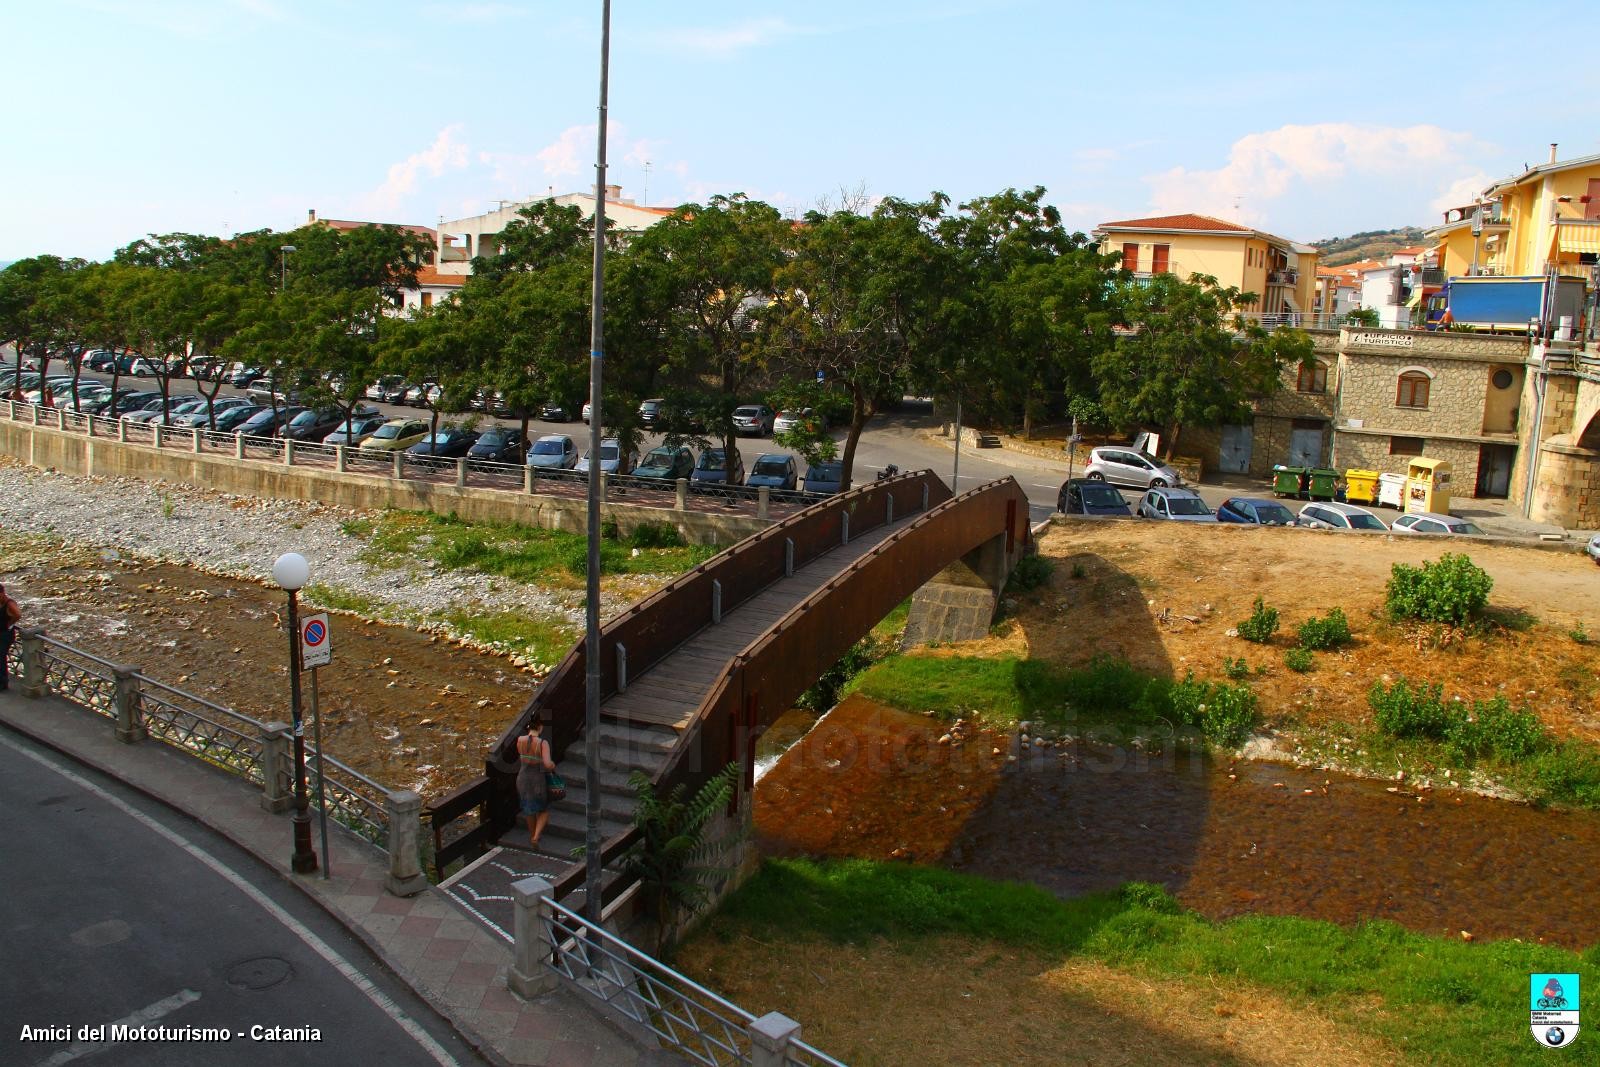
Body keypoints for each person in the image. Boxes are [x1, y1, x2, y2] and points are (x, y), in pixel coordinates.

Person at [515, 718, 555, 849]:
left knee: (529, 809)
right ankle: (536, 836)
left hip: (522, 778)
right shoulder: (542, 743)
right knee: (543, 810)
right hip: (537, 779)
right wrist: (553, 765)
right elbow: (548, 764)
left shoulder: (520, 740)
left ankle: (532, 835)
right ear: (540, 727)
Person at [0, 584, 19, 691]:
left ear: (2, 593)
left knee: (1, 657)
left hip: (5, 635)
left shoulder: (9, 603)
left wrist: (10, 624)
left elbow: (18, 614)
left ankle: (3, 682)